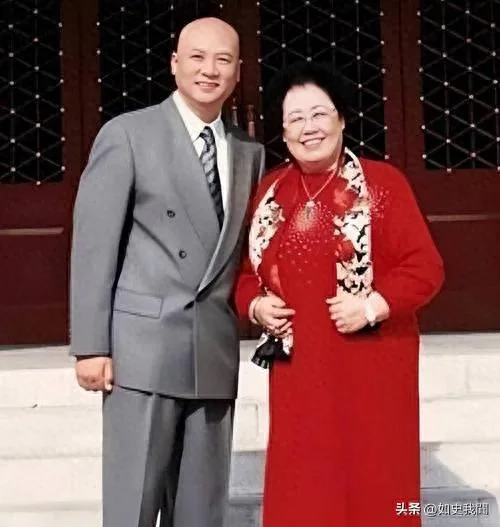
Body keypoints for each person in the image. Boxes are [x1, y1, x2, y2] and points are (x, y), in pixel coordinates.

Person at [70, 17, 264, 527]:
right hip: (142, 350)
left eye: (223, 60)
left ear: (238, 71)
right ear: (175, 64)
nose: (209, 70)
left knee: (202, 512)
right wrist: (91, 345)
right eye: (197, 57)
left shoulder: (249, 151)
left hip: (213, 349)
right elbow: (94, 245)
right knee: (132, 505)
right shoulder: (128, 134)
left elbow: (247, 251)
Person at [234, 62, 444, 527]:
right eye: (295, 118)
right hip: (299, 373)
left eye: (319, 114)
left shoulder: (383, 184)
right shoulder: (270, 192)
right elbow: (246, 275)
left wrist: (372, 305)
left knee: (377, 480)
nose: (308, 127)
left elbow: (425, 268)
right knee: (305, 485)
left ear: (342, 118)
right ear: (283, 133)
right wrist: (256, 305)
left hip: (373, 367)